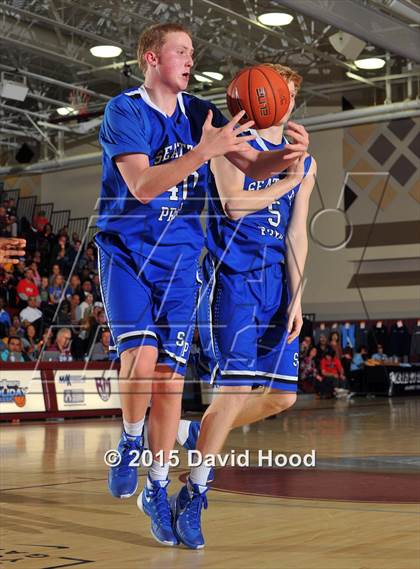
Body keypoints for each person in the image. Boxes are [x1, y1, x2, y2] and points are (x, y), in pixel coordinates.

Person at [97, 22, 308, 548]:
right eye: (181, 51)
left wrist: (292, 158)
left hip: (180, 260)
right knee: (142, 360)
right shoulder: (125, 110)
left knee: (169, 382)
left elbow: (253, 161)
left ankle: (160, 486)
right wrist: (202, 152)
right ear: (152, 58)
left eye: (193, 52)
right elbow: (144, 186)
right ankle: (128, 441)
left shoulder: (202, 112)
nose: (191, 59)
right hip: (128, 251)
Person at [170, 63, 313, 548]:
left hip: (276, 283)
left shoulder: (305, 161)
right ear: (259, 97)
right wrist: (288, 179)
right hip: (232, 279)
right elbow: (234, 205)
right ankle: (194, 492)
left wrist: (297, 295)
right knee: (232, 393)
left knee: (282, 397)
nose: (285, 98)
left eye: (290, 92)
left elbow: (297, 232)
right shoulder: (228, 143)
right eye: (280, 90)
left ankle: (193, 432)